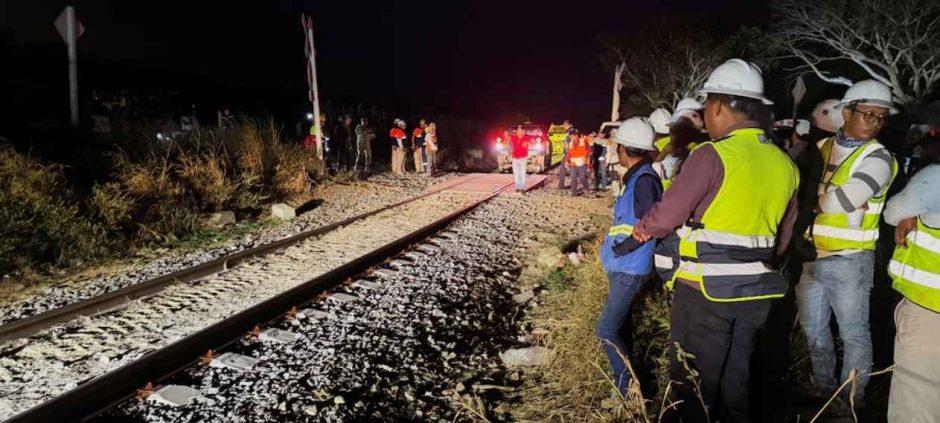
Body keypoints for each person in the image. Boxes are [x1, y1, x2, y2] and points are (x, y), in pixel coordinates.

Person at [632, 58, 799, 423]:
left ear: (719, 106)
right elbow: (784, 236)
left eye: (707, 106)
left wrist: (643, 228)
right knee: (736, 377)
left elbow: (668, 214)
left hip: (705, 292)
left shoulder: (712, 154)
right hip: (757, 293)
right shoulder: (784, 163)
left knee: (693, 382)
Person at [796, 80, 898, 408]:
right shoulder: (822, 147)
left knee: (853, 333)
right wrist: (825, 199)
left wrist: (813, 199)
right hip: (811, 256)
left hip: (851, 260)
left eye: (882, 116)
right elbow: (806, 192)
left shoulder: (880, 158)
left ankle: (849, 401)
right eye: (869, 113)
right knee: (813, 330)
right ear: (846, 112)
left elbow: (845, 199)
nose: (876, 121)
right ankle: (823, 389)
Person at [597, 117, 662, 397]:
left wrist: (620, 248)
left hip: (630, 267)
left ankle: (628, 390)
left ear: (624, 149)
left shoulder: (644, 180)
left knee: (605, 328)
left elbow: (652, 222)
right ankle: (630, 384)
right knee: (620, 325)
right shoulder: (637, 176)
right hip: (623, 265)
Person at [883, 130, 940, 421]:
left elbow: (893, 212)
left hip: (930, 313)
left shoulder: (934, 179)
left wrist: (914, 214)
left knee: (917, 401)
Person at [653, 98, 704, 190]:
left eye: (673, 131)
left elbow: (653, 172)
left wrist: (664, 153)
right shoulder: (702, 149)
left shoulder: (680, 155)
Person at [567, 130, 590, 196]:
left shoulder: (583, 141)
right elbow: (568, 153)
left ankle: (586, 188)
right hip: (573, 162)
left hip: (582, 162)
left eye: (572, 136)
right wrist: (566, 161)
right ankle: (573, 192)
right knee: (573, 177)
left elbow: (589, 149)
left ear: (576, 136)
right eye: (570, 137)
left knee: (582, 177)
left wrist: (586, 156)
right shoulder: (570, 143)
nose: (571, 138)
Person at [509, 125, 530, 192]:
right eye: (518, 131)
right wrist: (509, 152)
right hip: (515, 158)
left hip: (523, 158)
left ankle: (522, 187)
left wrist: (527, 143)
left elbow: (529, 144)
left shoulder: (527, 138)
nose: (519, 132)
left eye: (520, 131)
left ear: (524, 132)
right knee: (516, 173)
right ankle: (518, 187)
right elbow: (510, 145)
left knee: (522, 172)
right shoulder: (513, 138)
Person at [558, 120, 573, 189]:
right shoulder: (568, 132)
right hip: (568, 152)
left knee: (565, 169)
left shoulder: (571, 132)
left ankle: (561, 185)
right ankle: (561, 185)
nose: (563, 126)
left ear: (569, 125)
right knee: (565, 168)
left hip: (570, 153)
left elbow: (570, 144)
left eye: (565, 125)